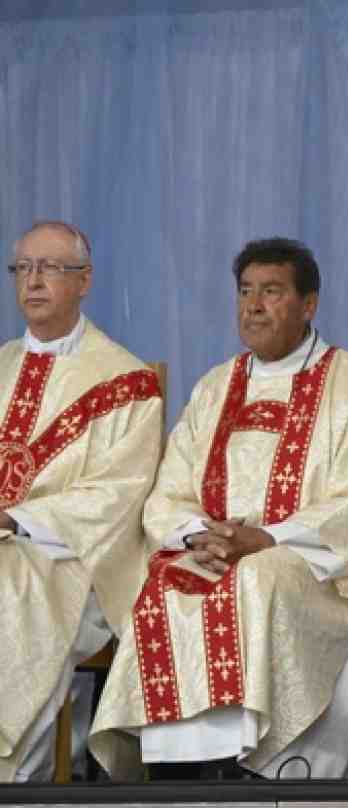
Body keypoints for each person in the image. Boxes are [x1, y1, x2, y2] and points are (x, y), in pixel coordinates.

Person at [91, 238, 348, 780]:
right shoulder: (216, 387)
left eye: (271, 292)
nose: (252, 305)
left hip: (326, 567)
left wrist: (270, 538)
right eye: (246, 292)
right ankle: (186, 771)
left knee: (259, 579)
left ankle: (263, 763)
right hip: (219, 548)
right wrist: (197, 534)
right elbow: (170, 488)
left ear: (309, 304)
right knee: (162, 581)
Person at [0, 222, 163, 781]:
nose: (33, 281)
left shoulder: (126, 380)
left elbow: (121, 493)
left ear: (85, 280)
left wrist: (16, 518)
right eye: (22, 268)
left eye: (50, 268)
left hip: (70, 559)